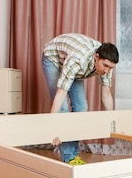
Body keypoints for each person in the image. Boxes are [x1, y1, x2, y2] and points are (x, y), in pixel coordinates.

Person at [42, 33, 119, 165]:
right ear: (96, 56)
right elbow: (60, 95)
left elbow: (106, 96)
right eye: (105, 66)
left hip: (75, 67)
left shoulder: (107, 65)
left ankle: (72, 154)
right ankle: (69, 157)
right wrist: (54, 129)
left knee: (81, 107)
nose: (107, 70)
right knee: (63, 108)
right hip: (53, 59)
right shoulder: (77, 61)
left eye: (110, 67)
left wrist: (112, 123)